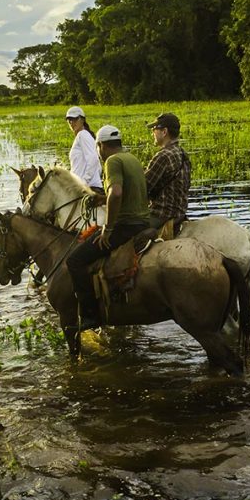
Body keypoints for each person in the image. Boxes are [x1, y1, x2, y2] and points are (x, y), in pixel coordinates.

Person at [66, 125, 150, 331]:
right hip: (142, 221)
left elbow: (118, 194)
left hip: (125, 226)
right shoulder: (132, 159)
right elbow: (125, 193)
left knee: (74, 260)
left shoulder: (112, 161)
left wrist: (108, 229)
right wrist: (102, 199)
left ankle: (90, 315)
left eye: (98, 147)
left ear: (101, 146)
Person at [144, 112, 192, 230]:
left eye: (154, 129)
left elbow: (143, 187)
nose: (153, 133)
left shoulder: (163, 156)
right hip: (180, 213)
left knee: (125, 231)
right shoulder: (182, 153)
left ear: (164, 132)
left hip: (161, 215)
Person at [65, 106, 102, 193]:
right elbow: (98, 167)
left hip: (88, 187)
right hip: (81, 187)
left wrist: (84, 182)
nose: (71, 122)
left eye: (74, 119)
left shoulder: (83, 135)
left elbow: (93, 160)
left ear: (82, 120)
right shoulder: (82, 136)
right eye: (69, 120)